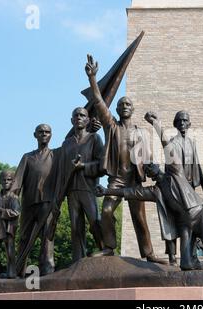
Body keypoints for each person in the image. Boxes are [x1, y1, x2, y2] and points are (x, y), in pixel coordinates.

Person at [96, 163, 203, 273]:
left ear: (158, 166)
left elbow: (166, 144)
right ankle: (196, 263)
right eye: (147, 169)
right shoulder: (155, 191)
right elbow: (130, 192)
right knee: (185, 264)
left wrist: (156, 125)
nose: (150, 169)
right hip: (185, 225)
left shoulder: (175, 173)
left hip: (199, 215)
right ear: (149, 175)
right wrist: (106, 191)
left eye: (151, 165)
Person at [85, 55, 166, 264]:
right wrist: (93, 79)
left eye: (128, 104)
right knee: (107, 210)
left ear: (133, 109)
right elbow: (99, 101)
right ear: (118, 110)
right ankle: (109, 248)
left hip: (135, 180)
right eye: (121, 104)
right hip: (117, 179)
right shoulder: (112, 126)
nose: (124, 106)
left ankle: (148, 254)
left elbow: (148, 161)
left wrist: (157, 173)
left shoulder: (141, 133)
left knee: (140, 218)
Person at [144, 110, 203, 266]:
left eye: (185, 121)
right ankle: (172, 257)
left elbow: (197, 167)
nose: (183, 123)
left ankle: (192, 257)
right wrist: (156, 124)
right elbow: (165, 146)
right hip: (176, 187)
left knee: (190, 225)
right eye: (179, 121)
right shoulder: (172, 142)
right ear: (175, 125)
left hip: (189, 189)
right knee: (171, 221)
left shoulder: (191, 143)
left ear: (189, 124)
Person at [57, 107, 105, 262]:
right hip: (71, 190)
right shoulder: (66, 144)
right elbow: (62, 169)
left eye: (82, 115)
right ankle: (78, 260)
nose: (78, 117)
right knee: (76, 227)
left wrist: (83, 166)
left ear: (88, 120)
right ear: (72, 121)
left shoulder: (94, 138)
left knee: (94, 221)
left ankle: (105, 250)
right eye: (76, 115)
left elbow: (102, 164)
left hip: (88, 187)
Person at [12, 124, 57, 277]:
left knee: (47, 237)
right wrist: (13, 201)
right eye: (41, 132)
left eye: (47, 132)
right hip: (28, 203)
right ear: (35, 135)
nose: (44, 134)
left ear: (51, 135)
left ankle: (47, 271)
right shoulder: (27, 157)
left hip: (48, 203)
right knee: (24, 236)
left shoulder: (56, 155)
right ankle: (19, 271)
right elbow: (16, 183)